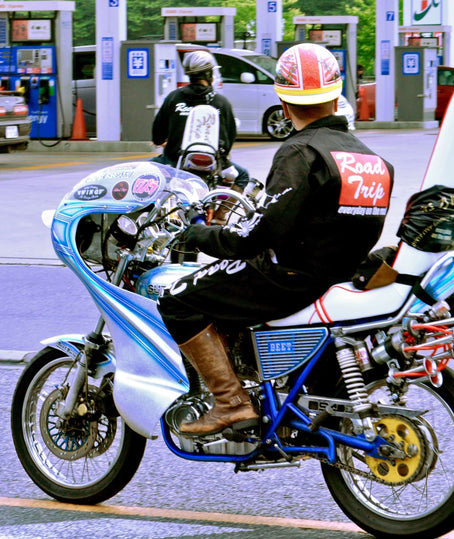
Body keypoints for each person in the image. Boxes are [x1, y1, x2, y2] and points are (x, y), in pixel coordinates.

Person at [157, 43, 395, 437]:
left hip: (291, 277)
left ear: (284, 104)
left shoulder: (300, 152)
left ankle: (231, 403)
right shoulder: (374, 160)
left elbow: (257, 234)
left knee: (178, 299)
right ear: (337, 97)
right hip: (343, 275)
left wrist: (199, 234)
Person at [151, 50, 251, 194]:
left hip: (174, 162)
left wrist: (171, 141)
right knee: (242, 176)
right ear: (209, 74)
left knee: (145, 172)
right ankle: (220, 216)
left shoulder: (173, 98)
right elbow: (229, 139)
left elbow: (157, 136)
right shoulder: (221, 102)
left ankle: (158, 213)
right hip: (212, 165)